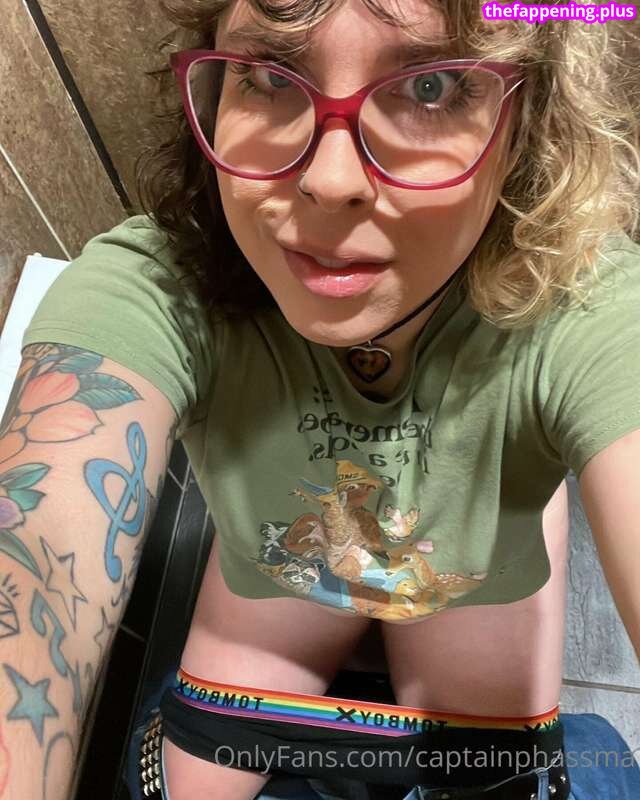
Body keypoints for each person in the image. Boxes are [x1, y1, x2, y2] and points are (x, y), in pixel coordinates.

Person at [1, 0, 639, 798]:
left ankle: (518, 497)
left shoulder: (583, 304)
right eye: (270, 77)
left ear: (530, 123)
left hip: (472, 576)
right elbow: (34, 570)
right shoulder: (157, 289)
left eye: (432, 87)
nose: (329, 181)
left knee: (494, 785)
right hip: (288, 571)